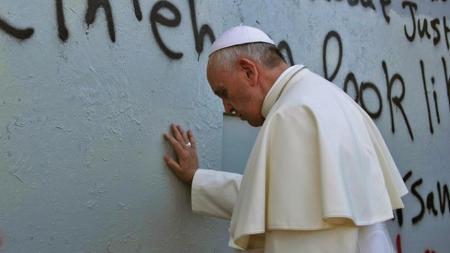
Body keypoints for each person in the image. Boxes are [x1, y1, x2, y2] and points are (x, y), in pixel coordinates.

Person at [163, 25, 408, 253]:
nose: (227, 108)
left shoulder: (292, 115)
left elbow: (296, 224)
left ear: (249, 71)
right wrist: (197, 179)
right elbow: (276, 202)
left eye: (223, 93)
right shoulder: (323, 97)